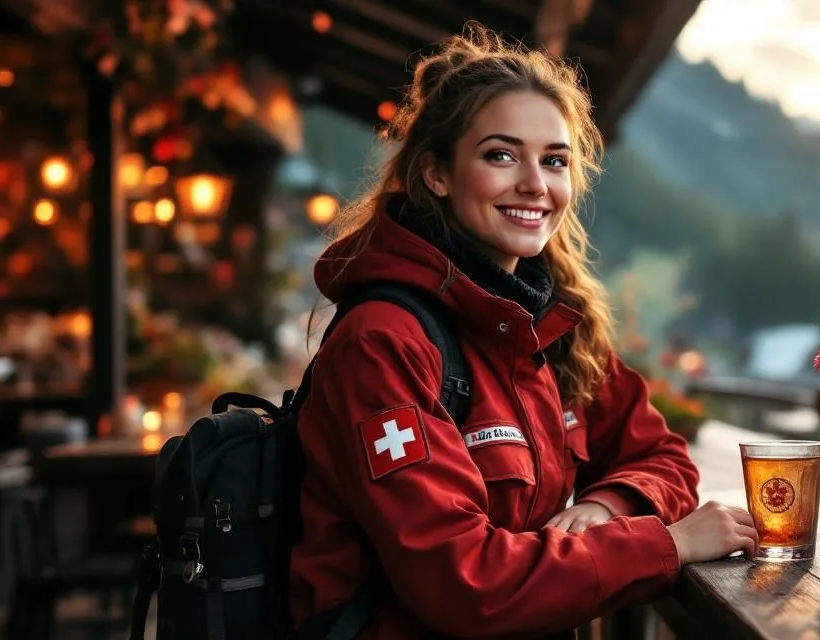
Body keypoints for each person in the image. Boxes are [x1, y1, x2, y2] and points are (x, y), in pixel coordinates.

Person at [289, 24, 759, 639]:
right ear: (435, 173)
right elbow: (466, 583)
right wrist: (667, 545)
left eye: (555, 161)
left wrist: (608, 505)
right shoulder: (384, 341)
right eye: (501, 155)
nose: (536, 184)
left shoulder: (549, 327)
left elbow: (659, 453)